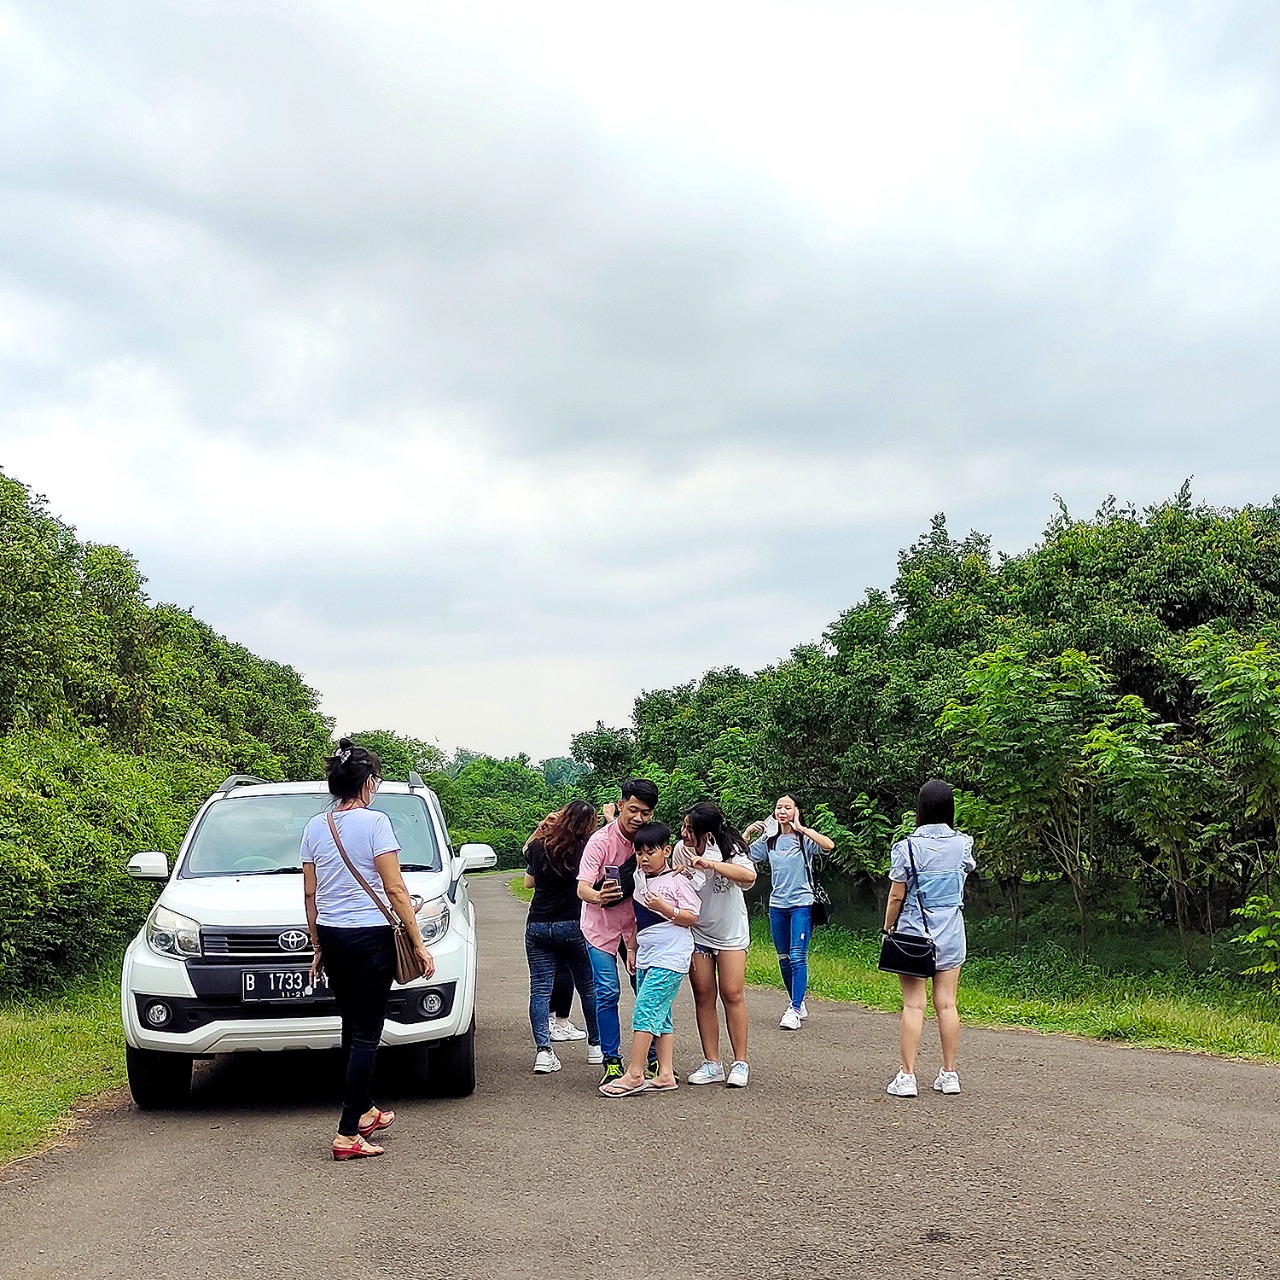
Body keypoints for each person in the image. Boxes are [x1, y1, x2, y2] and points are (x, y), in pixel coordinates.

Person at [302, 738, 434, 1161]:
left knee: (350, 1025)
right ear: (368, 783)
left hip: (333, 935)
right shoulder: (376, 823)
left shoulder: (314, 826)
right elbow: (395, 888)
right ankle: (346, 1133)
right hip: (371, 936)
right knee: (366, 1034)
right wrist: (418, 943)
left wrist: (317, 944)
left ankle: (363, 1111)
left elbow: (310, 893)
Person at [883, 779, 976, 1098]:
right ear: (951, 809)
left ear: (919, 809)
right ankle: (949, 1074)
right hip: (950, 932)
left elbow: (897, 895)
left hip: (913, 933)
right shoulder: (963, 844)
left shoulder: (906, 847)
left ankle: (907, 1076)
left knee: (913, 1004)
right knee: (947, 1004)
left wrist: (888, 928)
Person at [599, 822, 701, 1097]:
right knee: (661, 1015)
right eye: (639, 853)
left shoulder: (678, 880)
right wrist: (631, 949)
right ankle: (665, 1074)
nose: (644, 858)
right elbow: (638, 920)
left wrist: (664, 907)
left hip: (671, 954)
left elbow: (692, 916)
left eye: (650, 852)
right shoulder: (640, 878)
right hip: (646, 952)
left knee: (644, 1010)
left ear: (666, 851)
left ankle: (635, 1073)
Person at [577, 779, 660, 1086]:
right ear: (621, 804)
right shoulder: (600, 841)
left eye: (646, 812)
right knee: (608, 991)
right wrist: (600, 897)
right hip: (600, 929)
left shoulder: (648, 839)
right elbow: (582, 886)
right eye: (633, 809)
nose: (638, 818)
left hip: (638, 930)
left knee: (646, 991)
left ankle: (653, 1059)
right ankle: (611, 1059)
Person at [675, 801, 757, 1087]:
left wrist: (711, 864)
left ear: (707, 833)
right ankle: (712, 1063)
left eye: (690, 829)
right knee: (703, 994)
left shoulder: (731, 849)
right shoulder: (680, 851)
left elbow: (749, 878)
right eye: (684, 827)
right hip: (698, 931)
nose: (684, 833)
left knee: (732, 993)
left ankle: (741, 1062)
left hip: (731, 932)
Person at [523, 801, 603, 1073]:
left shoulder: (538, 846)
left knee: (540, 990)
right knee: (588, 988)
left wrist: (540, 828)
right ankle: (596, 1047)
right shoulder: (586, 850)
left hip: (538, 925)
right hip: (575, 924)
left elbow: (528, 875)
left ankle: (544, 1053)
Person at [744, 794, 834, 1031]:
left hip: (801, 904)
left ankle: (794, 1009)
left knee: (797, 956)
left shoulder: (804, 839)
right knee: (783, 958)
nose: (782, 811)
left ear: (796, 810)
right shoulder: (770, 840)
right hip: (777, 906)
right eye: (778, 807)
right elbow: (743, 857)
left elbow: (828, 845)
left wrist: (802, 829)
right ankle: (798, 1000)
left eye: (787, 807)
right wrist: (747, 834)